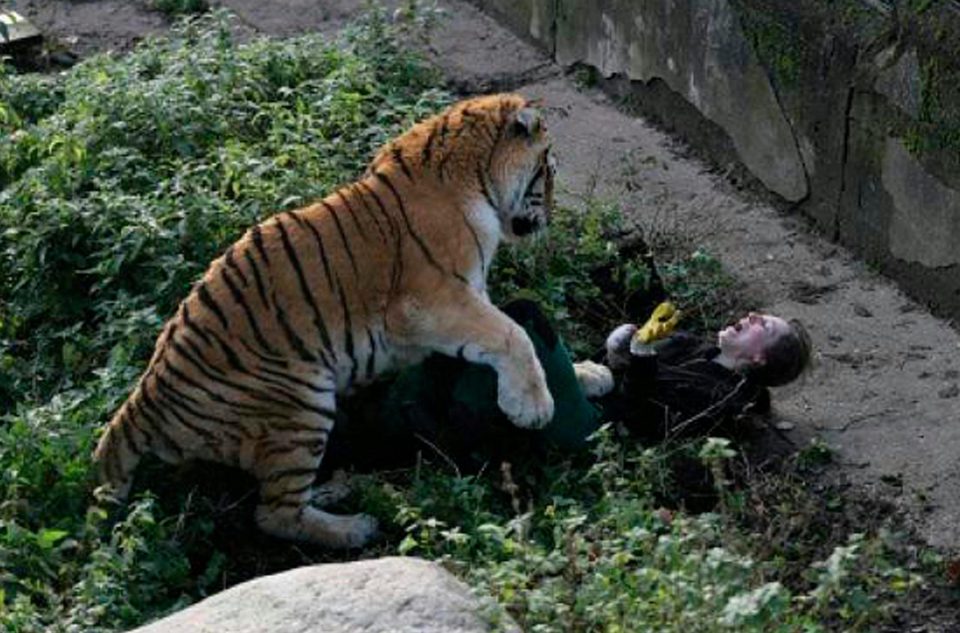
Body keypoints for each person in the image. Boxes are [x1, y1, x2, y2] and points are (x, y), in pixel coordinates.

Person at [324, 298, 812, 475]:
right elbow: (612, 365)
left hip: (598, 433)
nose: (747, 318)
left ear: (759, 357)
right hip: (588, 396)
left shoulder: (727, 396)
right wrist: (622, 346)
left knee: (524, 321)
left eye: (759, 325)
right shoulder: (693, 343)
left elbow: (648, 419)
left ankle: (445, 431)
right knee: (485, 352)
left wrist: (638, 359)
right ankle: (388, 421)